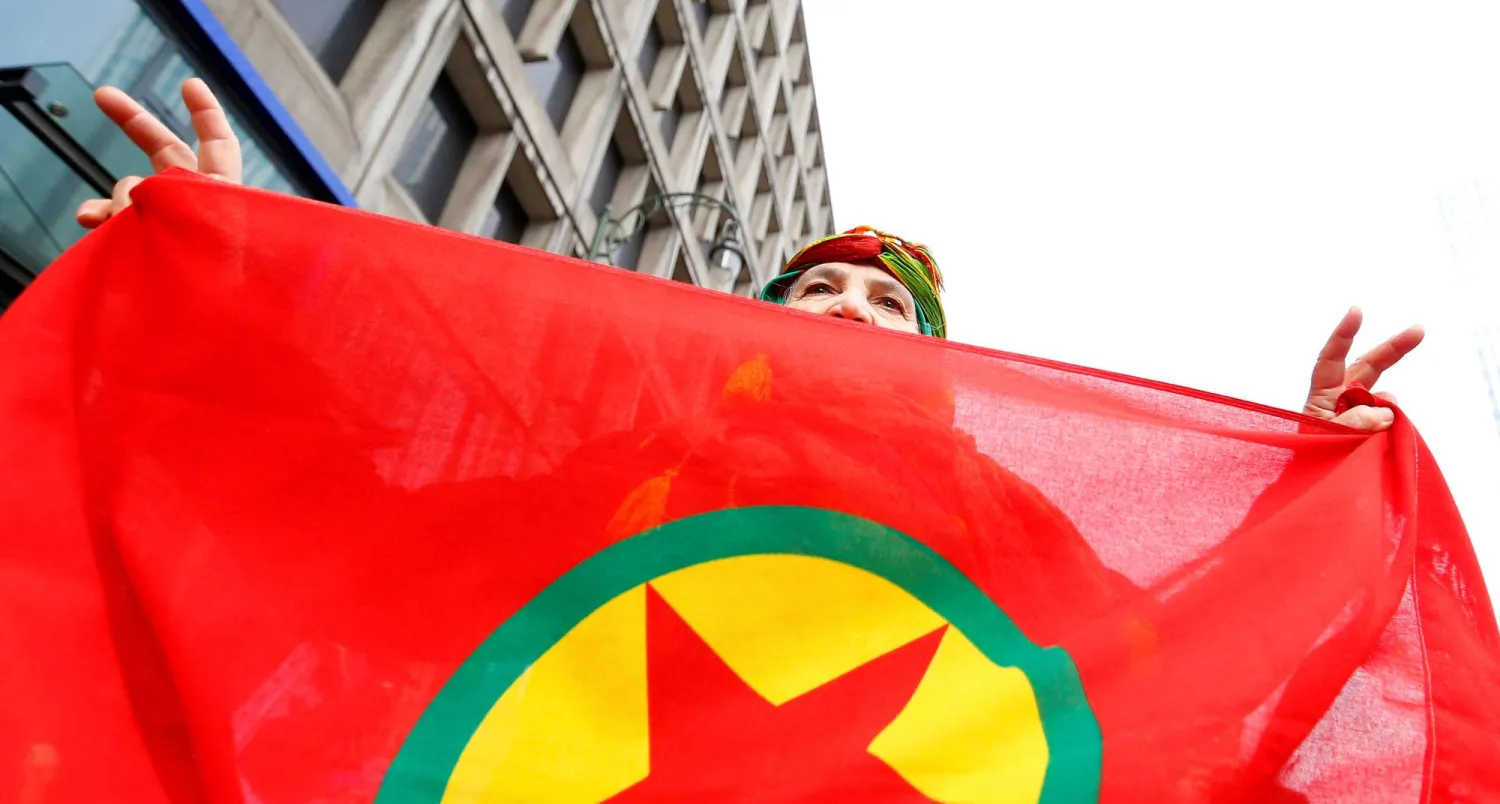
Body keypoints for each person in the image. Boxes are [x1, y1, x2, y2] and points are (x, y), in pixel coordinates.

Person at [77, 80, 1423, 432]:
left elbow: (1174, 680)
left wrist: (1290, 476)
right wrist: (226, 270)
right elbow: (373, 461)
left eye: (889, 306)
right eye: (817, 289)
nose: (845, 309)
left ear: (937, 364)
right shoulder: (623, 441)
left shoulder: (1003, 528)